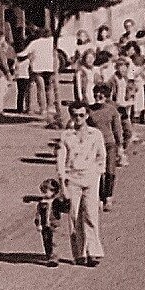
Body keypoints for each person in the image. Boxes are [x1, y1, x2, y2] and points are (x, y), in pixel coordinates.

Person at [56, 101, 107, 266]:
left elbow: (101, 156)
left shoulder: (96, 134)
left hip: (91, 178)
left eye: (81, 115)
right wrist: (62, 184)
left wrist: (97, 175)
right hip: (73, 179)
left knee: (91, 215)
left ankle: (94, 252)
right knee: (74, 216)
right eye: (74, 115)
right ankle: (79, 254)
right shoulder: (66, 136)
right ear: (71, 116)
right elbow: (60, 161)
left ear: (87, 115)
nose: (78, 118)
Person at [86, 83, 124, 210]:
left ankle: (108, 197)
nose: (98, 96)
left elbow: (117, 129)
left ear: (106, 96)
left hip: (109, 144)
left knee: (110, 171)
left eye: (101, 94)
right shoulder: (89, 110)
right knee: (97, 172)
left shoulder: (112, 110)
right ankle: (99, 197)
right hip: (94, 145)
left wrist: (120, 146)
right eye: (96, 94)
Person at [28, 177, 69, 268]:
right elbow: (38, 214)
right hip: (44, 225)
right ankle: (49, 254)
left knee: (54, 240)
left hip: (54, 225)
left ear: (54, 192)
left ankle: (54, 257)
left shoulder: (56, 202)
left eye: (48, 191)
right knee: (46, 240)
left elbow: (64, 208)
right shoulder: (42, 203)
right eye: (44, 191)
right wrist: (38, 224)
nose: (45, 194)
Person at [0, 25, 18, 115]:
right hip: (1, 72)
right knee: (2, 91)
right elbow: (3, 63)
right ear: (1, 38)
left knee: (2, 89)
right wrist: (8, 73)